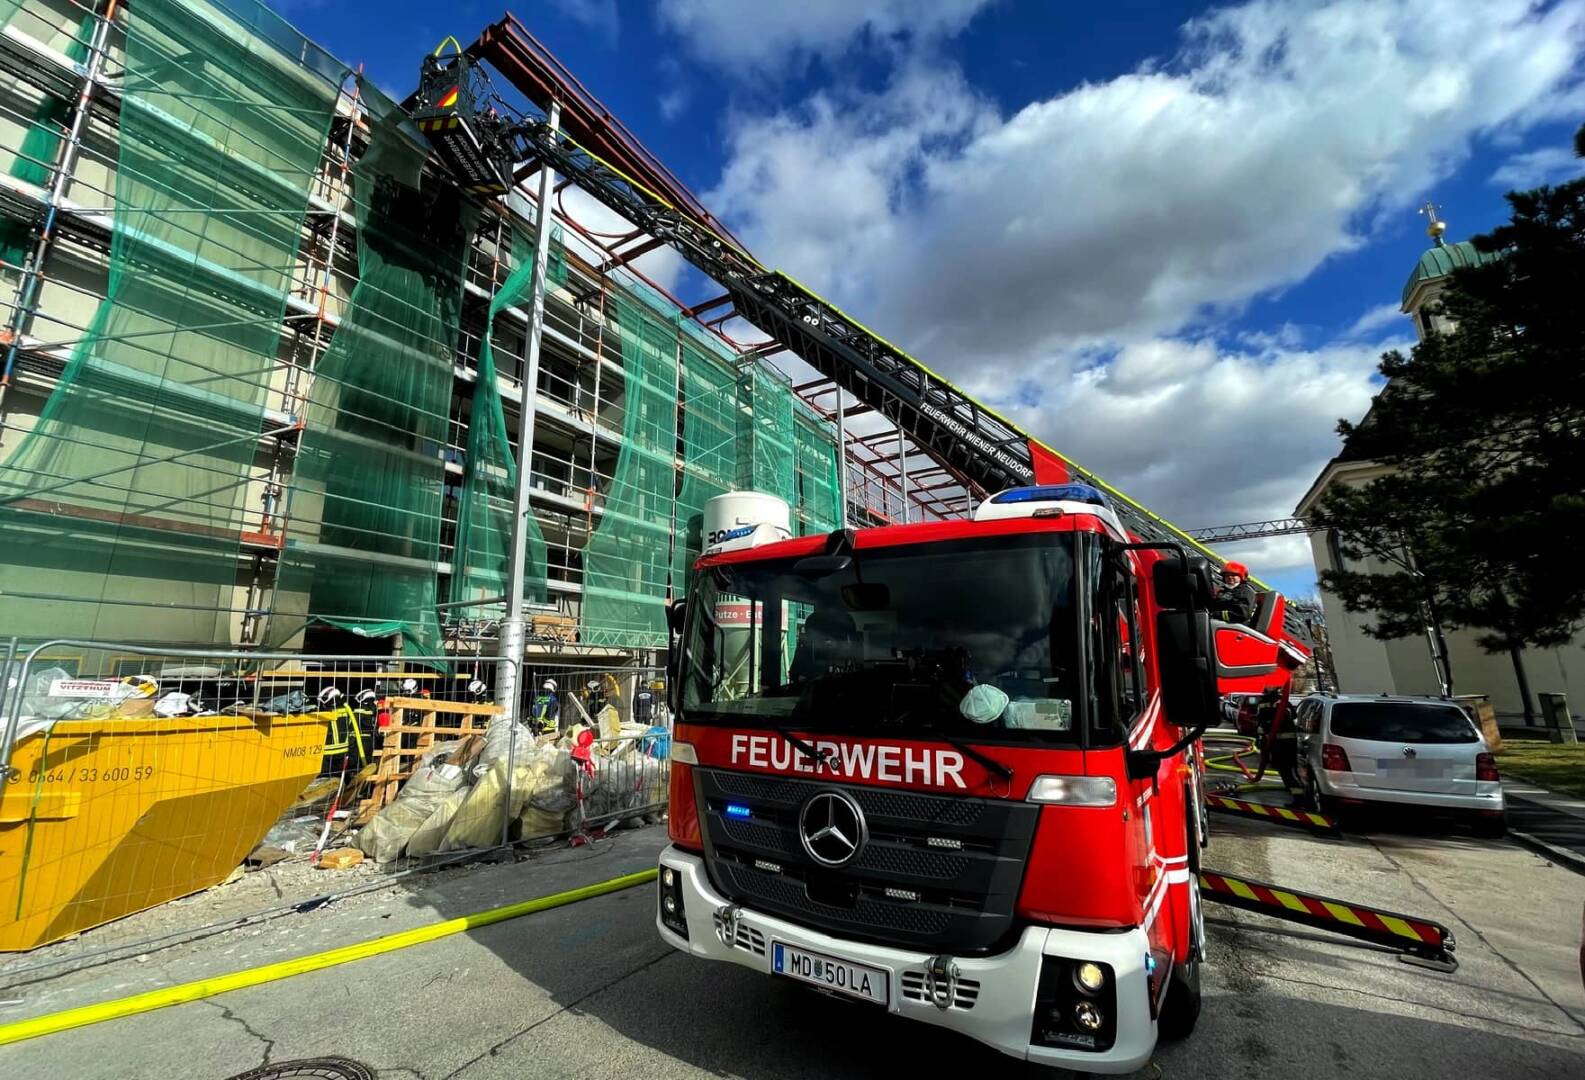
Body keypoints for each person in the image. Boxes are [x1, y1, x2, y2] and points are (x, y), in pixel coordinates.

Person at [1212, 561, 1257, 627]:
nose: (1230, 577)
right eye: (1227, 575)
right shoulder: (1225, 590)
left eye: (1233, 575)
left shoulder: (1245, 592)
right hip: (1222, 624)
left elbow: (1242, 614)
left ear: (1242, 577)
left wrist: (1216, 615)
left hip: (1233, 626)